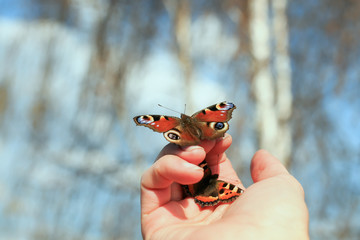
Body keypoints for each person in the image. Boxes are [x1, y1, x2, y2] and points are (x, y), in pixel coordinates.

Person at [140, 134, 309, 239]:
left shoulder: (208, 173)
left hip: (198, 189)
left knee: (196, 168)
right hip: (208, 194)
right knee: (195, 162)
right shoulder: (224, 185)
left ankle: (193, 188)